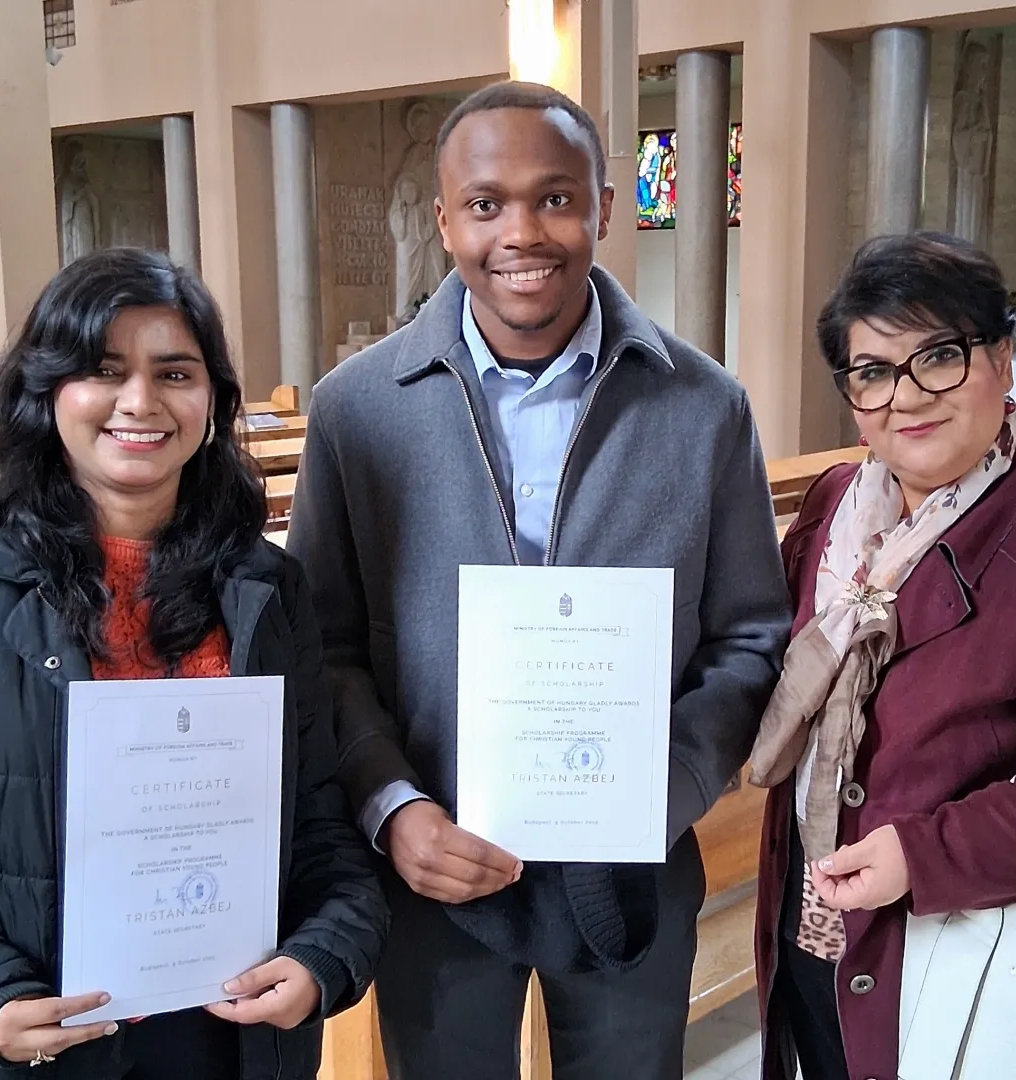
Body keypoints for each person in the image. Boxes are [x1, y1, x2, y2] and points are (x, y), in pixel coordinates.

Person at [288, 81, 790, 1080]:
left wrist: (671, 784)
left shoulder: (704, 409)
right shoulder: (357, 413)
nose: (521, 231)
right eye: (486, 204)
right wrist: (391, 803)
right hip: (436, 865)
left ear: (605, 205)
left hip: (629, 865)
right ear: (443, 221)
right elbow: (323, 644)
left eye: (555, 198)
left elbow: (751, 636)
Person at [0, 249, 387, 1079]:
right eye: (102, 369)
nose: (140, 402)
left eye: (174, 372)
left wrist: (320, 961)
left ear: (211, 399)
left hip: (229, 1044)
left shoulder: (266, 593)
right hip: (46, 1048)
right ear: (49, 389)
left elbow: (319, 827)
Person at [750, 232, 1016, 1080]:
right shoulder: (838, 507)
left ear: (999, 356)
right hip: (812, 931)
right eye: (873, 371)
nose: (905, 396)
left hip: (953, 964)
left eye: (939, 358)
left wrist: (924, 854)